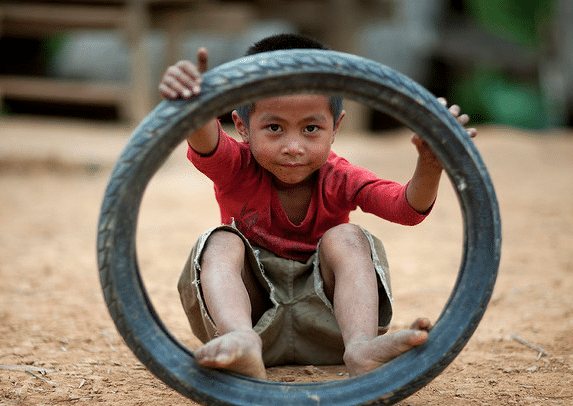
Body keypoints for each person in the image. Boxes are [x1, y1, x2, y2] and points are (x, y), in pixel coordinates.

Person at [159, 33, 476, 380]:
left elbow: (405, 208)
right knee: (221, 242)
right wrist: (197, 105)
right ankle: (239, 340)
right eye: (274, 128)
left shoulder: (341, 178)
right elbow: (205, 139)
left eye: (311, 128)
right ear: (242, 127)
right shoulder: (236, 165)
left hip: (329, 328)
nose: (293, 146)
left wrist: (430, 164)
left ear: (335, 128)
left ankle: (362, 348)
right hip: (253, 317)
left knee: (348, 237)